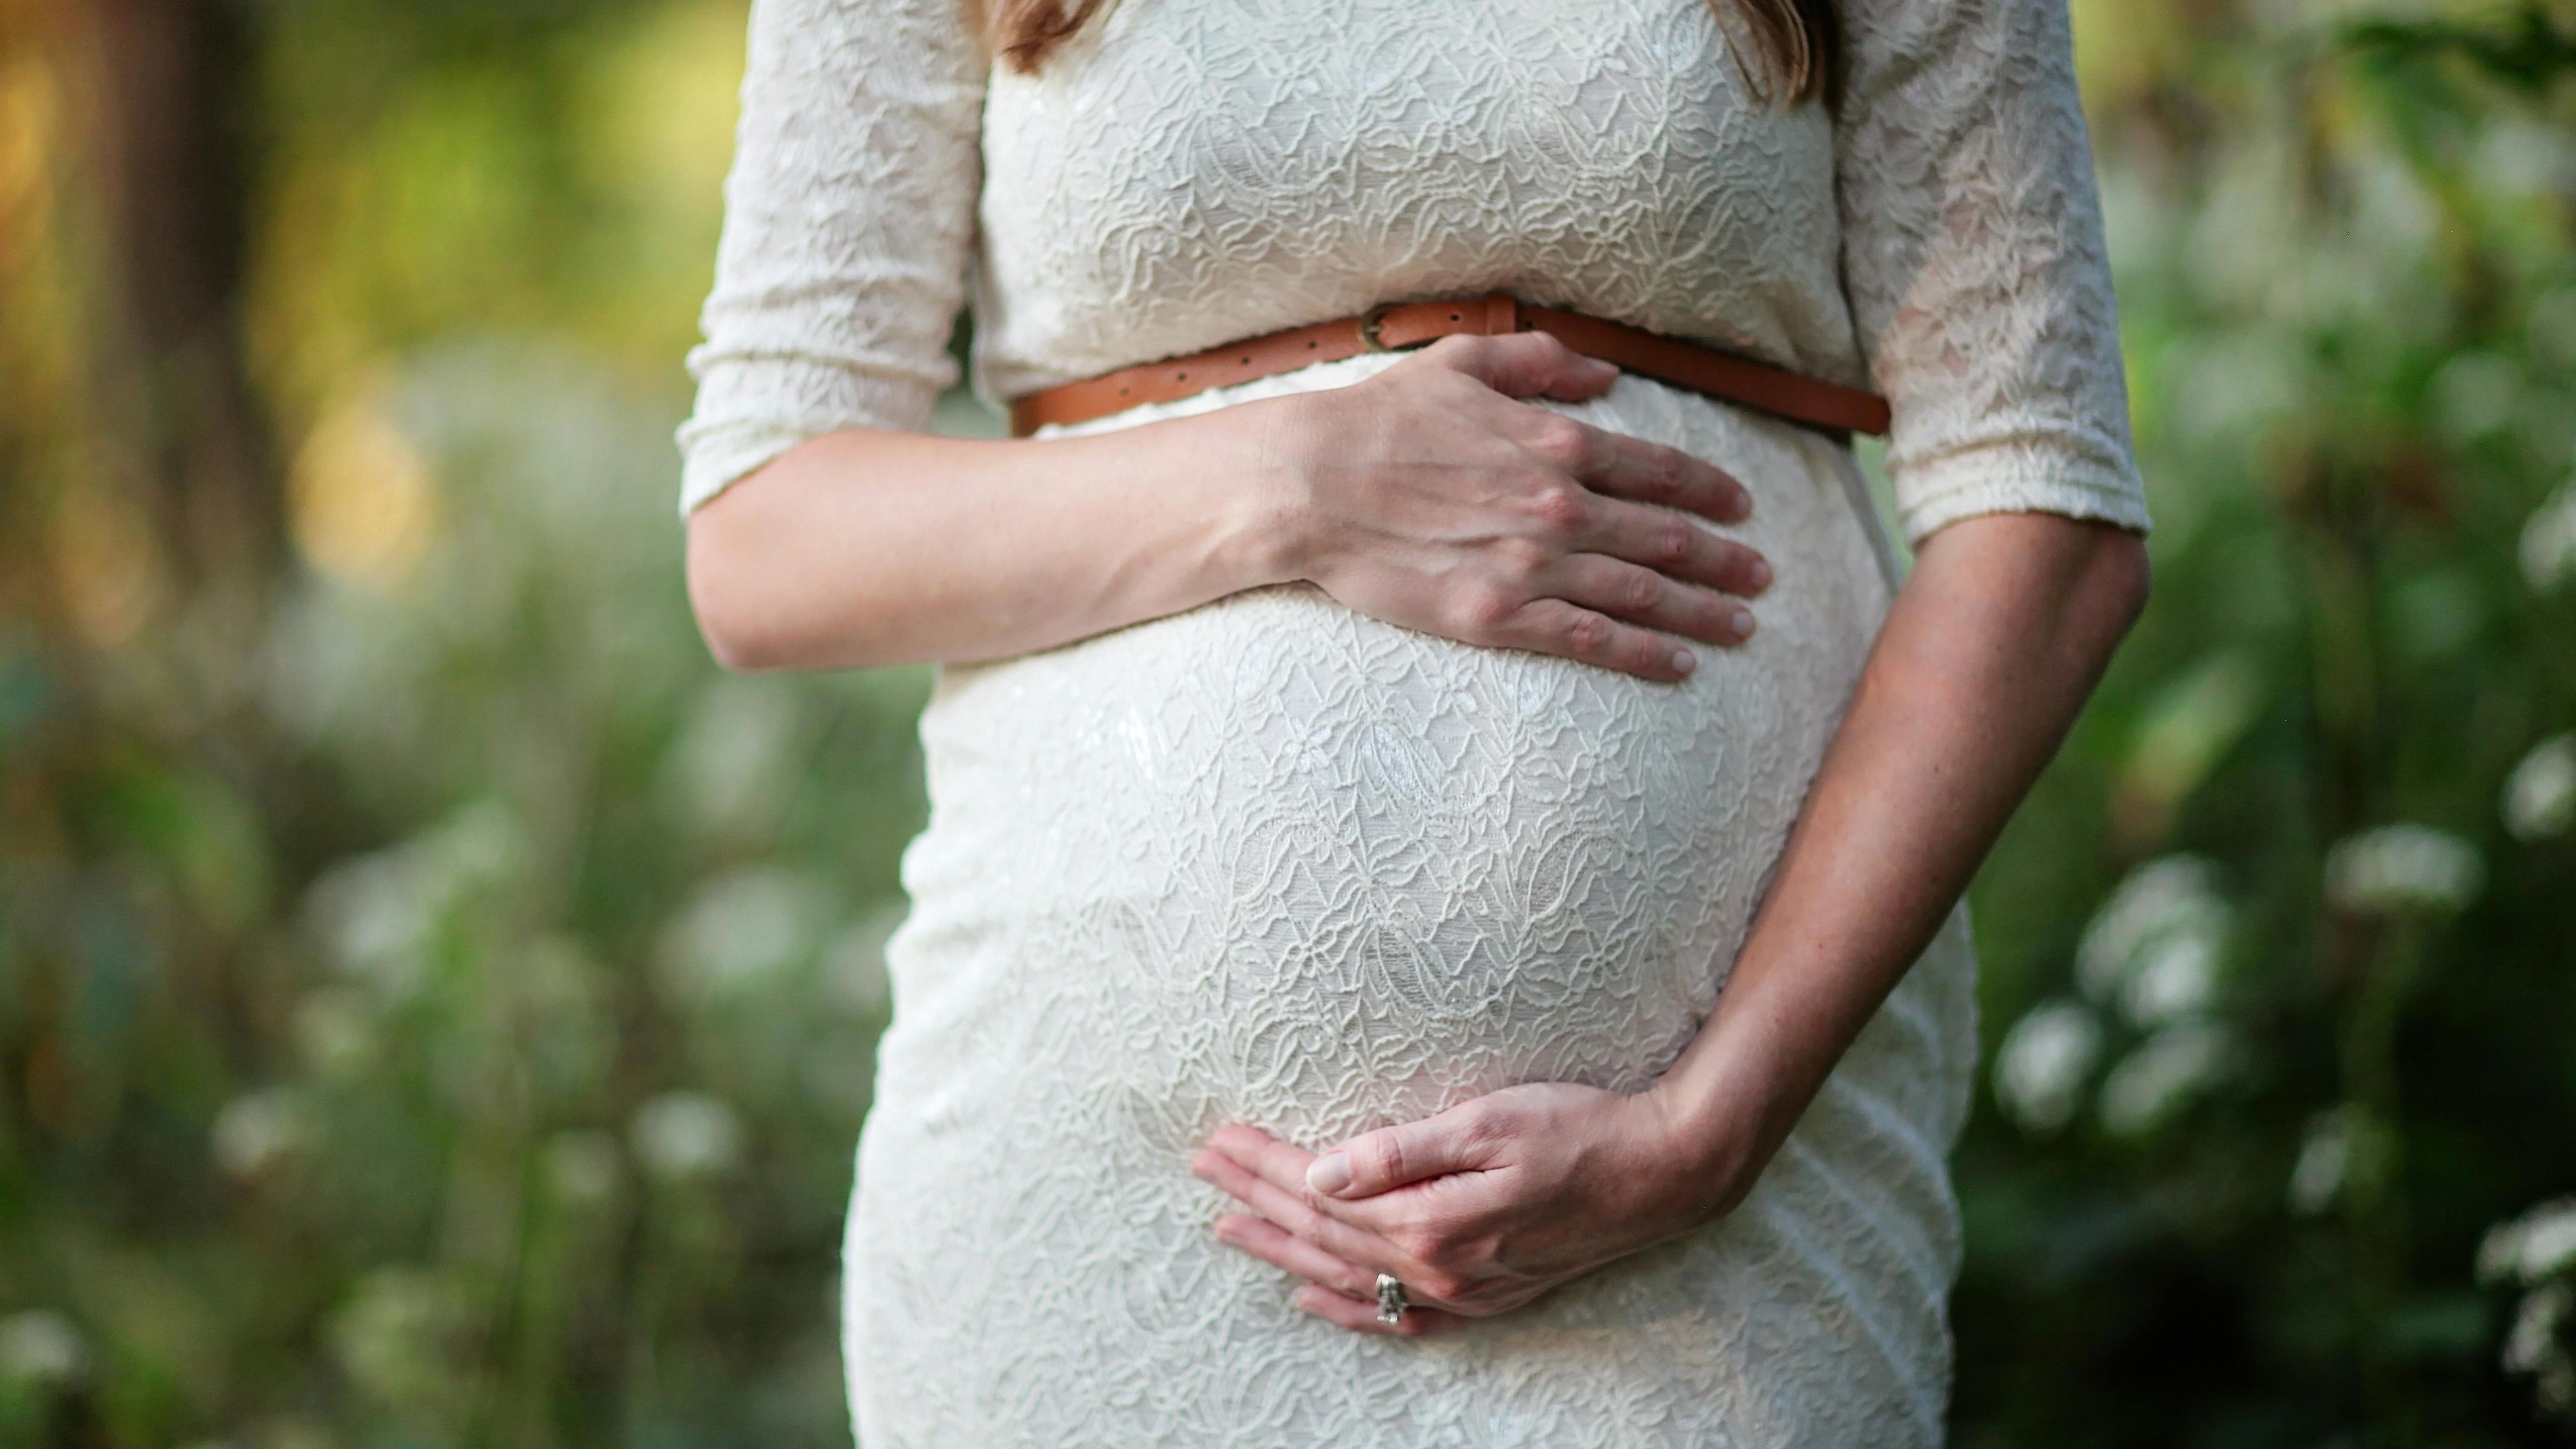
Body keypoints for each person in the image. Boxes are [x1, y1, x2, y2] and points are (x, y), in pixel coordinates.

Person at [675, 0, 2152, 1441]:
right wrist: (1296, 484)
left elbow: (2043, 504)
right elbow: (764, 540)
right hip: (1088, 1213)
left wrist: (1710, 1130)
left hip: (1714, 1236)